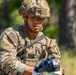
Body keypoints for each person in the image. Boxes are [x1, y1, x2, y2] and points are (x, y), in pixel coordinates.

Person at [0, 0, 63, 75]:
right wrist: (36, 72)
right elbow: (7, 63)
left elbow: (56, 65)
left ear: (44, 19)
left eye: (39, 18)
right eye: (33, 17)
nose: (36, 21)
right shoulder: (12, 35)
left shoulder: (48, 43)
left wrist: (57, 70)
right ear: (25, 17)